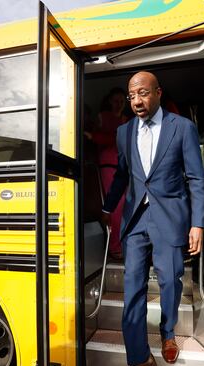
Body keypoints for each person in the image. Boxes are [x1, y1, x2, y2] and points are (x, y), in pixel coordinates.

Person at [101, 71, 204, 366]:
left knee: (170, 280)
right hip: (135, 220)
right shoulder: (123, 132)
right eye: (132, 96)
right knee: (132, 288)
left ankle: (167, 332)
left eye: (143, 94)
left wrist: (198, 223)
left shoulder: (182, 128)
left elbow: (196, 179)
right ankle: (140, 360)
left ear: (158, 93)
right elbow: (123, 173)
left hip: (170, 219)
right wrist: (107, 208)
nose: (136, 101)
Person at [86, 88, 128, 260]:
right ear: (109, 101)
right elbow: (94, 138)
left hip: (125, 167)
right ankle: (114, 246)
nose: (119, 103)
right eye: (115, 100)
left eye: (121, 100)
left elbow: (114, 139)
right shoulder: (102, 117)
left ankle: (122, 244)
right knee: (114, 208)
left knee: (125, 207)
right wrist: (94, 137)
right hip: (107, 166)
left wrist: (97, 137)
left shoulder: (126, 120)